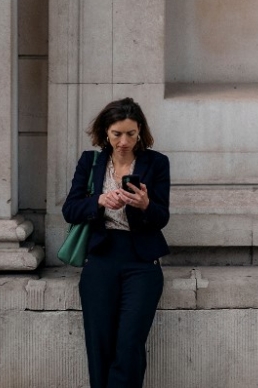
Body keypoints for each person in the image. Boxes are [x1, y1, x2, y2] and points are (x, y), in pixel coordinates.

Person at [62, 97, 171, 388]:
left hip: (141, 264)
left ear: (140, 133)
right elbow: (70, 209)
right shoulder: (91, 162)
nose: (124, 141)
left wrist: (146, 204)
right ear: (105, 133)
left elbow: (162, 217)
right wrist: (98, 200)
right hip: (101, 260)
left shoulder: (156, 163)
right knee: (100, 346)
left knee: (129, 345)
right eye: (117, 134)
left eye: (131, 134)